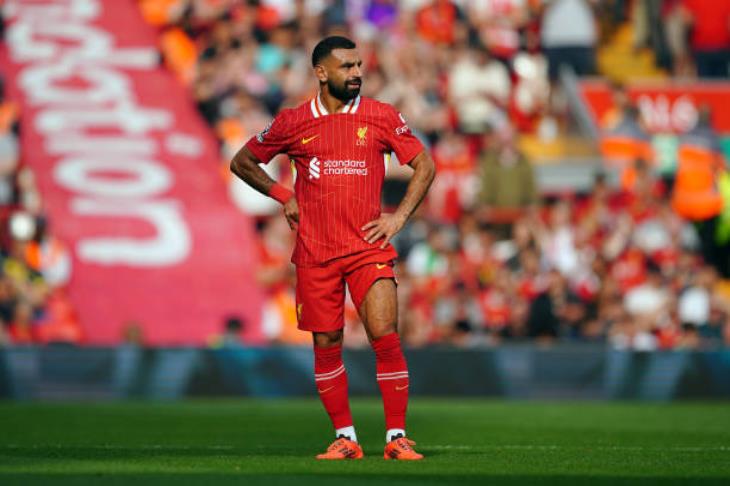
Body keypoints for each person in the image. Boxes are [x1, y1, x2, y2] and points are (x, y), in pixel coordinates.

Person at [230, 36, 436, 460]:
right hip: (315, 251)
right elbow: (242, 161)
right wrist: (283, 195)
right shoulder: (293, 122)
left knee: (385, 334)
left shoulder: (381, 116)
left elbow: (425, 165)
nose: (356, 73)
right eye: (346, 67)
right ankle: (346, 438)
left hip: (367, 246)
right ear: (321, 72)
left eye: (359, 65)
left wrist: (397, 219)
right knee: (326, 343)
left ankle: (397, 438)